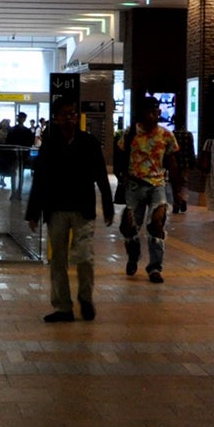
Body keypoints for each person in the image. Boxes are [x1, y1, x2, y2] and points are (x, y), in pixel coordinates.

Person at [25, 98, 113, 323]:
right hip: (56, 209)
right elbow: (41, 179)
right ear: (55, 117)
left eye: (72, 113)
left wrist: (108, 203)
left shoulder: (88, 142)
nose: (69, 117)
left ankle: (85, 297)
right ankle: (63, 306)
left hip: (82, 208)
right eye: (64, 114)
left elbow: (101, 175)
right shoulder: (50, 144)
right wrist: (33, 211)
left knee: (85, 256)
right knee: (58, 260)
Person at [116, 94, 177, 284]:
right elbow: (120, 157)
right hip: (134, 186)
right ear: (142, 113)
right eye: (151, 111)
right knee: (129, 227)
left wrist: (178, 190)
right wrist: (121, 177)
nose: (155, 115)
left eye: (157, 111)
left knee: (156, 225)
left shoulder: (166, 135)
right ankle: (133, 256)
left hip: (158, 185)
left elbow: (172, 162)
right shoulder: (130, 134)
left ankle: (155, 268)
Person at [6, 111, 36, 197]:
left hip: (14, 154)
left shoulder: (13, 130)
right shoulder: (27, 131)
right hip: (22, 154)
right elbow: (29, 143)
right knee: (20, 173)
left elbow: (8, 142)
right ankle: (18, 191)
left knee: (14, 173)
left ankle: (14, 191)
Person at [0, 118, 14, 187]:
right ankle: (1, 177)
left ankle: (3, 177)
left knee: (5, 164)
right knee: (0, 163)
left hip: (6, 151)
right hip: (0, 150)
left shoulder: (10, 132)